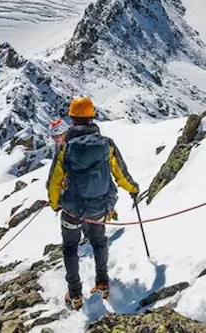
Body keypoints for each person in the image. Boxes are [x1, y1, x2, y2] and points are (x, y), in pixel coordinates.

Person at [45, 96, 140, 311]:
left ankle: (75, 295)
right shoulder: (106, 144)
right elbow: (120, 173)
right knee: (99, 241)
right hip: (99, 206)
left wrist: (55, 204)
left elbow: (54, 182)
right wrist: (133, 189)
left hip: (72, 210)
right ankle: (103, 283)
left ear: (72, 119)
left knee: (70, 248)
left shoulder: (65, 148)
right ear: (92, 117)